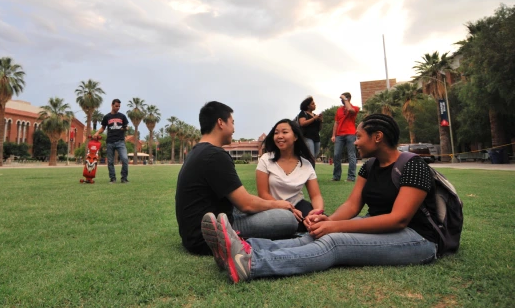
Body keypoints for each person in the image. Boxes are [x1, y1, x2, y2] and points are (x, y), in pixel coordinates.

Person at [202, 114, 440, 283]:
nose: (354, 141)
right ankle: (244, 247)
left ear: (377, 137)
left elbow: (399, 219)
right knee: (313, 235)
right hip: (380, 226)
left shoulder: (413, 165)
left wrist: (334, 227)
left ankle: (252, 264)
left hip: (417, 238)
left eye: (358, 137)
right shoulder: (370, 166)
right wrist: (325, 223)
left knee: (334, 243)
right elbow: (352, 205)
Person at [175, 101, 299, 258]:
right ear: (220, 122)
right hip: (206, 236)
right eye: (232, 123)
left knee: (262, 208)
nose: (234, 129)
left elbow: (238, 200)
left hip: (192, 232)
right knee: (288, 219)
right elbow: (246, 204)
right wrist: (277, 204)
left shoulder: (197, 152)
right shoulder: (215, 155)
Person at [256, 119, 324, 231]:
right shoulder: (266, 160)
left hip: (298, 204)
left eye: (284, 132)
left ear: (295, 137)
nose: (279, 136)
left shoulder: (306, 165)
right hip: (273, 205)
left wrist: (317, 212)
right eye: (276, 133)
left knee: (315, 223)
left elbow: (316, 196)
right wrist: (286, 209)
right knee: (286, 223)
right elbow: (263, 193)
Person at [94, 99, 129, 184]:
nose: (118, 108)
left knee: (125, 159)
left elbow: (127, 127)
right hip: (110, 142)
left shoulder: (122, 116)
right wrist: (97, 132)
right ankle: (112, 178)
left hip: (120, 142)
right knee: (110, 161)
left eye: (119, 106)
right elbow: (103, 128)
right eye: (116, 106)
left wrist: (124, 128)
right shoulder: (107, 117)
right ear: (112, 105)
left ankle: (124, 178)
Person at [331, 92, 360, 181]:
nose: (341, 101)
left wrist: (345, 98)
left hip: (350, 134)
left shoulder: (355, 108)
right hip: (339, 135)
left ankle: (351, 177)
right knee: (336, 155)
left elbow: (351, 110)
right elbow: (336, 122)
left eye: (342, 99)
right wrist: (333, 135)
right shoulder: (339, 110)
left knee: (351, 155)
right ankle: (336, 176)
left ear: (348, 99)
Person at [297, 96, 322, 161]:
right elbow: (302, 123)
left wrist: (320, 120)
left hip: (316, 138)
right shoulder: (303, 113)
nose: (315, 105)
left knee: (314, 157)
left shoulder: (314, 115)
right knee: (310, 156)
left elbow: (319, 129)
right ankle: (309, 171)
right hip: (307, 137)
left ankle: (312, 170)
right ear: (308, 106)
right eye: (312, 104)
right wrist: (314, 118)